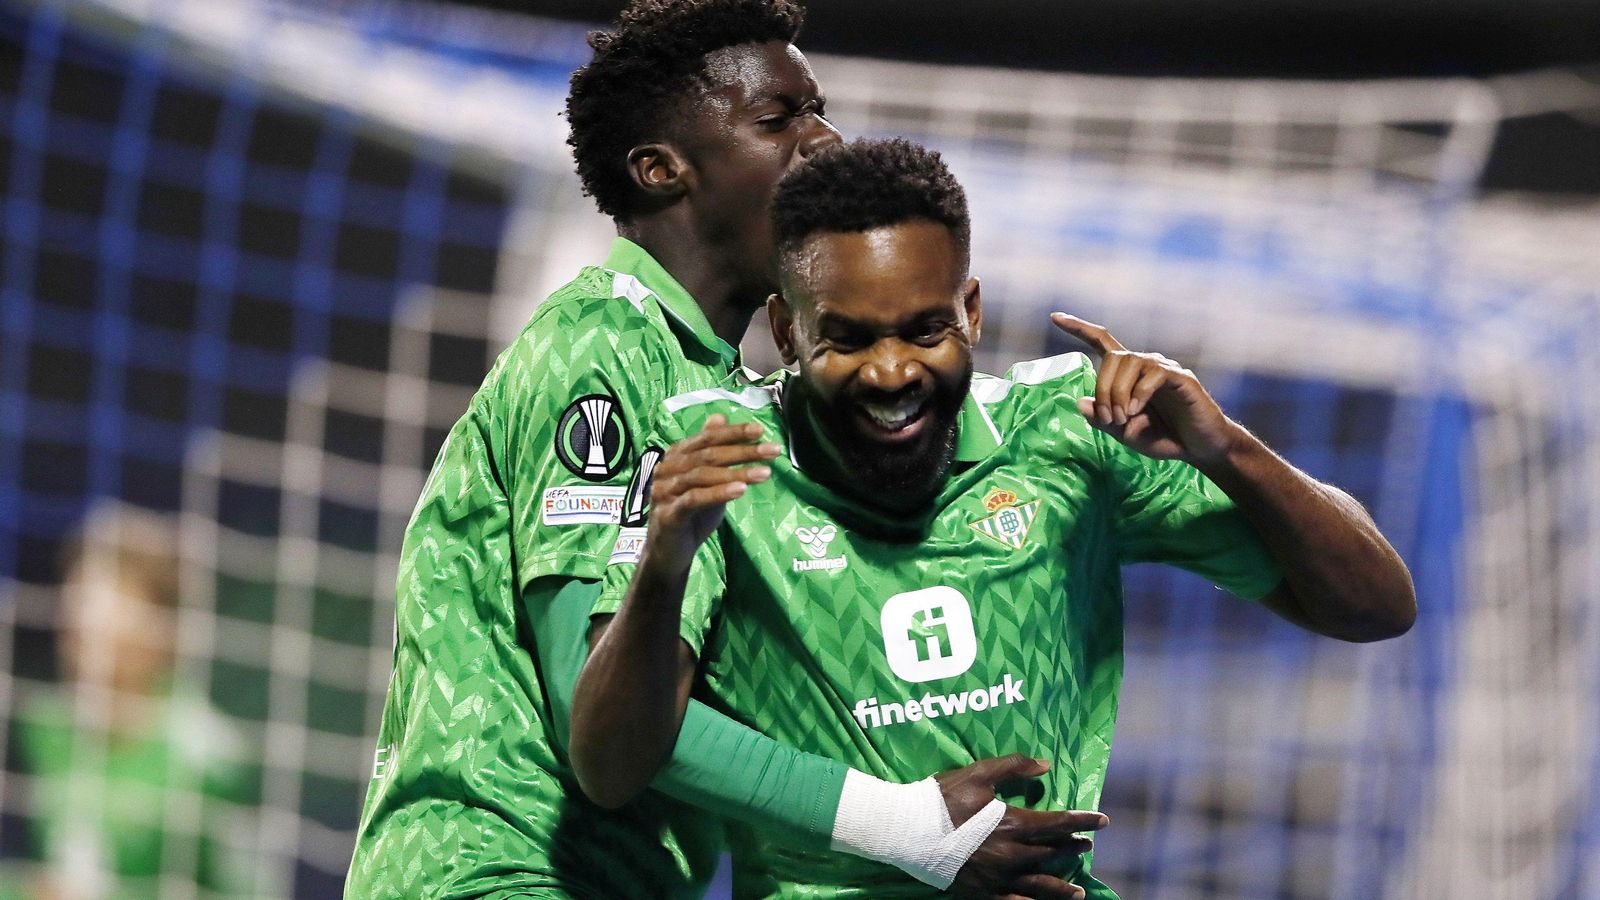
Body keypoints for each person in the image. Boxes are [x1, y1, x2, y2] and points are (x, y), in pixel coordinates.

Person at [347, 3, 1104, 897]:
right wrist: (906, 825)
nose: (823, 141)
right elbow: (590, 700)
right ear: (662, 170)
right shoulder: (599, 347)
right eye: (779, 119)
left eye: (818, 109)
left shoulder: (703, 375)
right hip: (497, 871)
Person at [571, 138, 1418, 898]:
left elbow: (1377, 606)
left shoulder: (1072, 433)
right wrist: (666, 558)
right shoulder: (717, 454)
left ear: (970, 311)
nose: (892, 371)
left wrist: (1228, 450)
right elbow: (610, 764)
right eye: (849, 339)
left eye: (926, 329)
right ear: (786, 332)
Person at [7, 502, 254, 900]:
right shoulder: (44, 729)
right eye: (79, 595)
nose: (83, 617)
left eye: (110, 599)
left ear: (163, 628)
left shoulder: (208, 757)